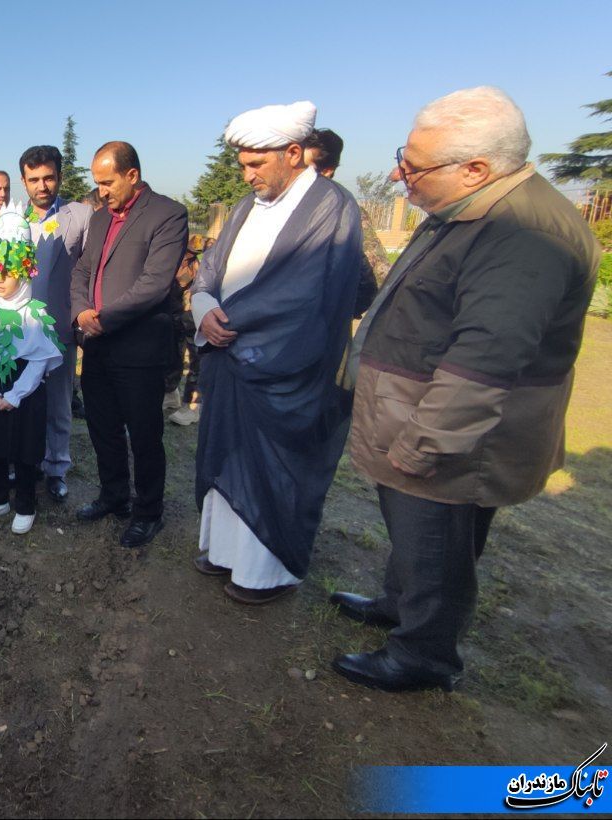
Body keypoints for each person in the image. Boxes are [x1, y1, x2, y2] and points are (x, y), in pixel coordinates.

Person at [332, 87, 599, 692]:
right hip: (417, 415)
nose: (400, 174)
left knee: (438, 544)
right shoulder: (472, 209)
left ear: (476, 168)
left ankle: (424, 654)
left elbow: (486, 359)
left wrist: (426, 443)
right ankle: (400, 606)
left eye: (415, 167)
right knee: (415, 535)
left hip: (450, 434)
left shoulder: (522, 235)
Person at [190, 101, 362, 605]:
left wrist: (233, 327)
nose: (246, 176)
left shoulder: (333, 206)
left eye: (256, 164)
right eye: (242, 164)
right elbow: (211, 268)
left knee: (271, 469)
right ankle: (223, 552)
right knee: (225, 458)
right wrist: (203, 306)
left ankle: (264, 571)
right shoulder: (248, 206)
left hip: (283, 371)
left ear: (293, 153)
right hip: (229, 364)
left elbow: (310, 298)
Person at [71, 141, 188, 549]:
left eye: (107, 182)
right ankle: (114, 495)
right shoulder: (101, 219)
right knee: (103, 428)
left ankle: (148, 512)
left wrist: (103, 319)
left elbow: (154, 285)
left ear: (132, 175)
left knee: (144, 435)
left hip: (138, 349)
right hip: (97, 346)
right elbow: (83, 269)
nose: (100, 191)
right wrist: (82, 311)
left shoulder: (167, 215)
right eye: (96, 183)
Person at [0, 202, 63, 535]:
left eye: (7, 274)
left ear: (23, 272)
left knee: (25, 449)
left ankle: (25, 503)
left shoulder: (32, 315)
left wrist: (16, 394)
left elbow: (38, 361)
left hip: (25, 391)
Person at [17, 145, 92, 501]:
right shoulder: (11, 221)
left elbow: (91, 269)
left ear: (59, 177)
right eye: (34, 179)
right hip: (18, 330)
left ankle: (57, 468)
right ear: (24, 181)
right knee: (22, 398)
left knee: (59, 402)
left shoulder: (79, 216)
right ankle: (24, 463)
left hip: (60, 327)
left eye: (48, 177)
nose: (41, 186)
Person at [303, 127, 384, 315]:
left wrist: (335, 313)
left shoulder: (346, 212)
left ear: (327, 171)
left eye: (304, 168)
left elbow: (376, 276)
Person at [165, 234, 205, 427]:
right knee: (173, 352)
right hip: (176, 314)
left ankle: (193, 406)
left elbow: (208, 244)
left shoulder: (196, 265)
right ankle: (171, 393)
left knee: (197, 356)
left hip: (195, 312)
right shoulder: (172, 252)